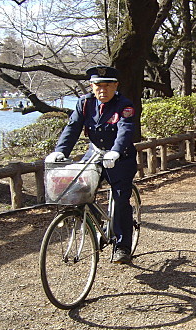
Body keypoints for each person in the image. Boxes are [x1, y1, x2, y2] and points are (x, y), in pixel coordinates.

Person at [45, 66, 138, 264]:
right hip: (94, 155)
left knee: (121, 200)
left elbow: (125, 130)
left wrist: (116, 151)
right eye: (98, 85)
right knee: (77, 190)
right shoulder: (85, 103)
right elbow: (72, 127)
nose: (102, 90)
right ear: (91, 86)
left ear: (116, 86)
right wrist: (60, 150)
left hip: (120, 158)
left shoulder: (124, 105)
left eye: (107, 85)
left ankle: (122, 246)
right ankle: (99, 224)